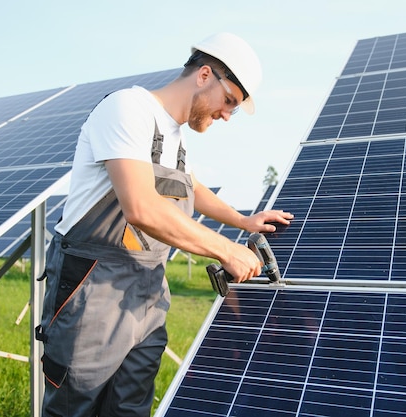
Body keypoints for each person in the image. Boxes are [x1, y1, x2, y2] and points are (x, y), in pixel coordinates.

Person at [35, 32, 293, 417]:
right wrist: (226, 248)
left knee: (129, 408)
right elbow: (141, 206)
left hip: (147, 294)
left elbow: (191, 186)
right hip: (93, 292)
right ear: (205, 75)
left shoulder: (174, 138)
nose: (226, 115)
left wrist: (242, 219)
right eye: (229, 103)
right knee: (76, 407)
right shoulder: (128, 109)